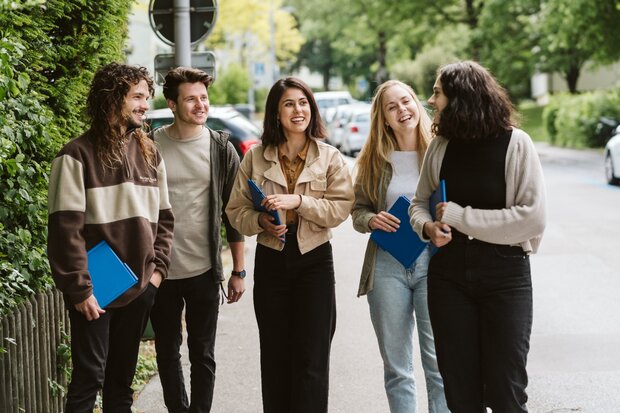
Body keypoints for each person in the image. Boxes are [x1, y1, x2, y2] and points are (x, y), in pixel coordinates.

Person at [409, 60, 547, 413]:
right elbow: (419, 204)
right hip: (449, 277)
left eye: (437, 92)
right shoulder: (440, 146)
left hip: (506, 276)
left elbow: (531, 219)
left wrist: (459, 217)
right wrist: (427, 226)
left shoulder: (517, 144)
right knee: (460, 393)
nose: (431, 99)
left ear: (461, 97)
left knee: (507, 392)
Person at [47, 63, 174, 412]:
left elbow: (165, 219)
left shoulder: (151, 153)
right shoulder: (75, 156)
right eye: (137, 97)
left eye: (146, 97)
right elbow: (64, 231)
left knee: (121, 384)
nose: (145, 105)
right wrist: (80, 289)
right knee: (88, 381)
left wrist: (156, 276)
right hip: (96, 290)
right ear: (112, 99)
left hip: (140, 287)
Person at [225, 77, 354, 413]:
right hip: (272, 258)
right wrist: (260, 222)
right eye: (288, 104)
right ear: (275, 113)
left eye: (303, 103)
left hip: (314, 259)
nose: (298, 110)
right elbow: (235, 211)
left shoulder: (330, 157)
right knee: (276, 355)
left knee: (312, 357)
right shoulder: (255, 157)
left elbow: (340, 208)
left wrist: (299, 201)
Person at [149, 67, 246, 413]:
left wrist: (239, 270)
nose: (200, 104)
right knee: (166, 349)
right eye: (191, 98)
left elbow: (233, 214)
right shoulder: (149, 145)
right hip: (159, 270)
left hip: (204, 269)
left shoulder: (221, 148)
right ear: (172, 104)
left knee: (202, 353)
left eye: (203, 98)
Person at [351, 80, 449, 413]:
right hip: (387, 264)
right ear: (384, 118)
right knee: (397, 366)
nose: (401, 110)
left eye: (405, 101)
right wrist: (371, 220)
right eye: (392, 107)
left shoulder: (440, 150)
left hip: (432, 263)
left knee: (438, 362)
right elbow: (358, 211)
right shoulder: (373, 160)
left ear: (417, 105)